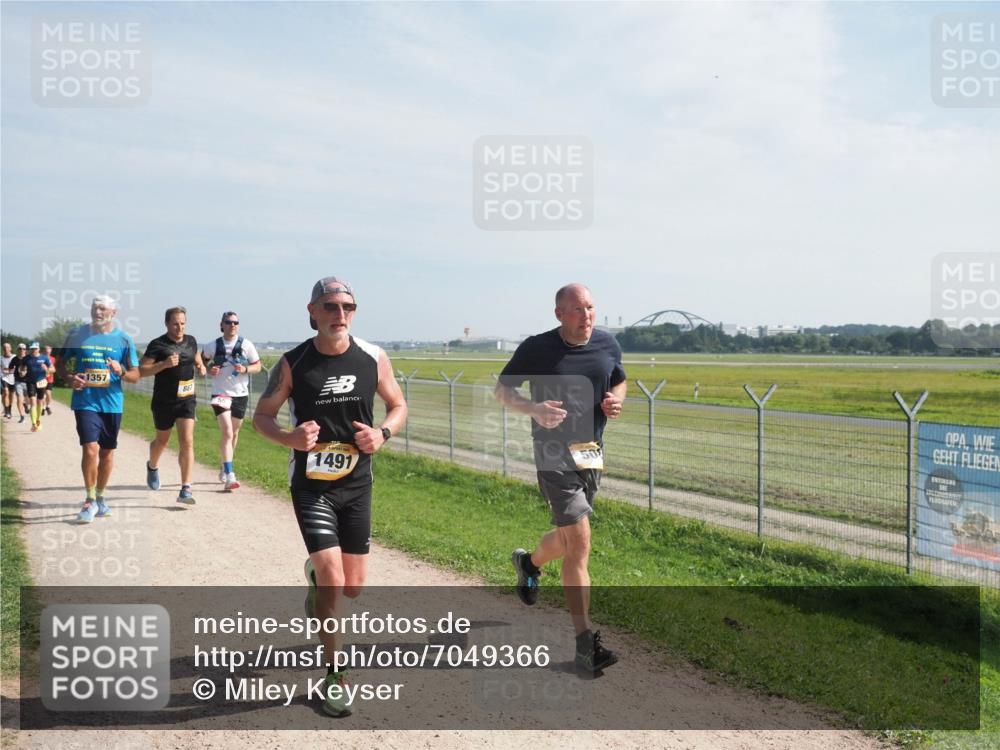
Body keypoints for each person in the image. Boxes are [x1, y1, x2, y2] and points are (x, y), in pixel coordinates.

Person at [252, 276, 407, 717]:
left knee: (353, 587)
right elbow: (262, 417)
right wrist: (290, 437)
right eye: (331, 306)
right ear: (313, 311)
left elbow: (398, 405)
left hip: (357, 486)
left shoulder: (374, 358)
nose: (340, 314)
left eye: (348, 307)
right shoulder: (293, 363)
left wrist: (383, 433)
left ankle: (319, 581)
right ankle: (335, 676)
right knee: (336, 581)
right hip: (312, 487)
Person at [494, 283, 627, 673]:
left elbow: (618, 378)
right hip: (552, 455)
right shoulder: (537, 348)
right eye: (576, 310)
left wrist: (616, 399)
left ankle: (531, 564)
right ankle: (586, 644)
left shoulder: (607, 344)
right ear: (559, 315)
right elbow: (502, 391)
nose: (586, 316)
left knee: (569, 540)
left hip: (591, 453)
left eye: (590, 308)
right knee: (580, 543)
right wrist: (532, 408)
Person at [59, 295, 140, 523]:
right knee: (90, 449)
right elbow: (60, 363)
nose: (97, 312)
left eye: (103, 309)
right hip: (85, 400)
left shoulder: (124, 340)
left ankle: (101, 496)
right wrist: (69, 378)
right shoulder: (77, 334)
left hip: (112, 403)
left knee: (106, 453)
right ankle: (89, 499)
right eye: (94, 308)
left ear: (113, 313)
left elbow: (135, 375)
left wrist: (121, 371)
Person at [140, 306, 206, 505]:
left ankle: (186, 488)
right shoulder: (157, 345)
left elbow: (195, 358)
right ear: (167, 323)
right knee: (162, 441)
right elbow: (142, 370)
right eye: (176, 324)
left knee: (187, 441)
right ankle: (152, 466)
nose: (180, 328)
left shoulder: (191, 341)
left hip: (186, 399)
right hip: (163, 401)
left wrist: (201, 366)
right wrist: (163, 365)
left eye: (183, 324)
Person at [201, 312, 262, 491]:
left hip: (240, 395)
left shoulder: (247, 345)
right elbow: (201, 361)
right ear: (222, 325)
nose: (232, 325)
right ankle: (230, 474)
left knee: (234, 434)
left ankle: (224, 463)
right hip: (220, 394)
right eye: (228, 322)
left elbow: (258, 366)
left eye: (236, 322)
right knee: (227, 432)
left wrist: (245, 368)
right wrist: (208, 368)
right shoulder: (213, 345)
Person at [23, 342, 53, 432]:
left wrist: (46, 369)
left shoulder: (44, 358)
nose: (33, 350)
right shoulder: (26, 358)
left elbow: (53, 369)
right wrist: (22, 371)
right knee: (32, 401)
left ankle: (38, 420)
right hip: (30, 382)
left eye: (35, 349)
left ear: (39, 349)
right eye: (32, 349)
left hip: (41, 382)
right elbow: (22, 367)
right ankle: (33, 424)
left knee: (40, 402)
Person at [12, 343, 29, 424]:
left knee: (29, 398)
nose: (22, 350)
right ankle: (22, 416)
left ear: (26, 350)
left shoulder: (29, 358)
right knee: (19, 398)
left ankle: (26, 404)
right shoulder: (14, 359)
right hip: (18, 381)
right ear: (17, 350)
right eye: (20, 349)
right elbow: (10, 368)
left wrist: (25, 372)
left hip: (28, 381)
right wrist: (16, 371)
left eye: (24, 349)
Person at [2, 342, 17, 420]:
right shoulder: (1, 358)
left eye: (7, 347)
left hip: (13, 378)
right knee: (6, 391)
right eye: (4, 347)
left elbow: (17, 367)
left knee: (11, 395)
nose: (6, 349)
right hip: (4, 377)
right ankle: (7, 411)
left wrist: (10, 371)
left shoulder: (14, 357)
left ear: (10, 348)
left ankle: (9, 410)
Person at [43, 345, 57, 415]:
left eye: (48, 349)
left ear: (51, 350)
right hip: (41, 379)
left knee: (48, 394)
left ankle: (47, 406)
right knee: (42, 395)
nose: (47, 351)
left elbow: (54, 369)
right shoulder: (41, 358)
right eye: (46, 349)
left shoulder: (53, 359)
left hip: (49, 379)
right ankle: (42, 408)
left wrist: (49, 371)